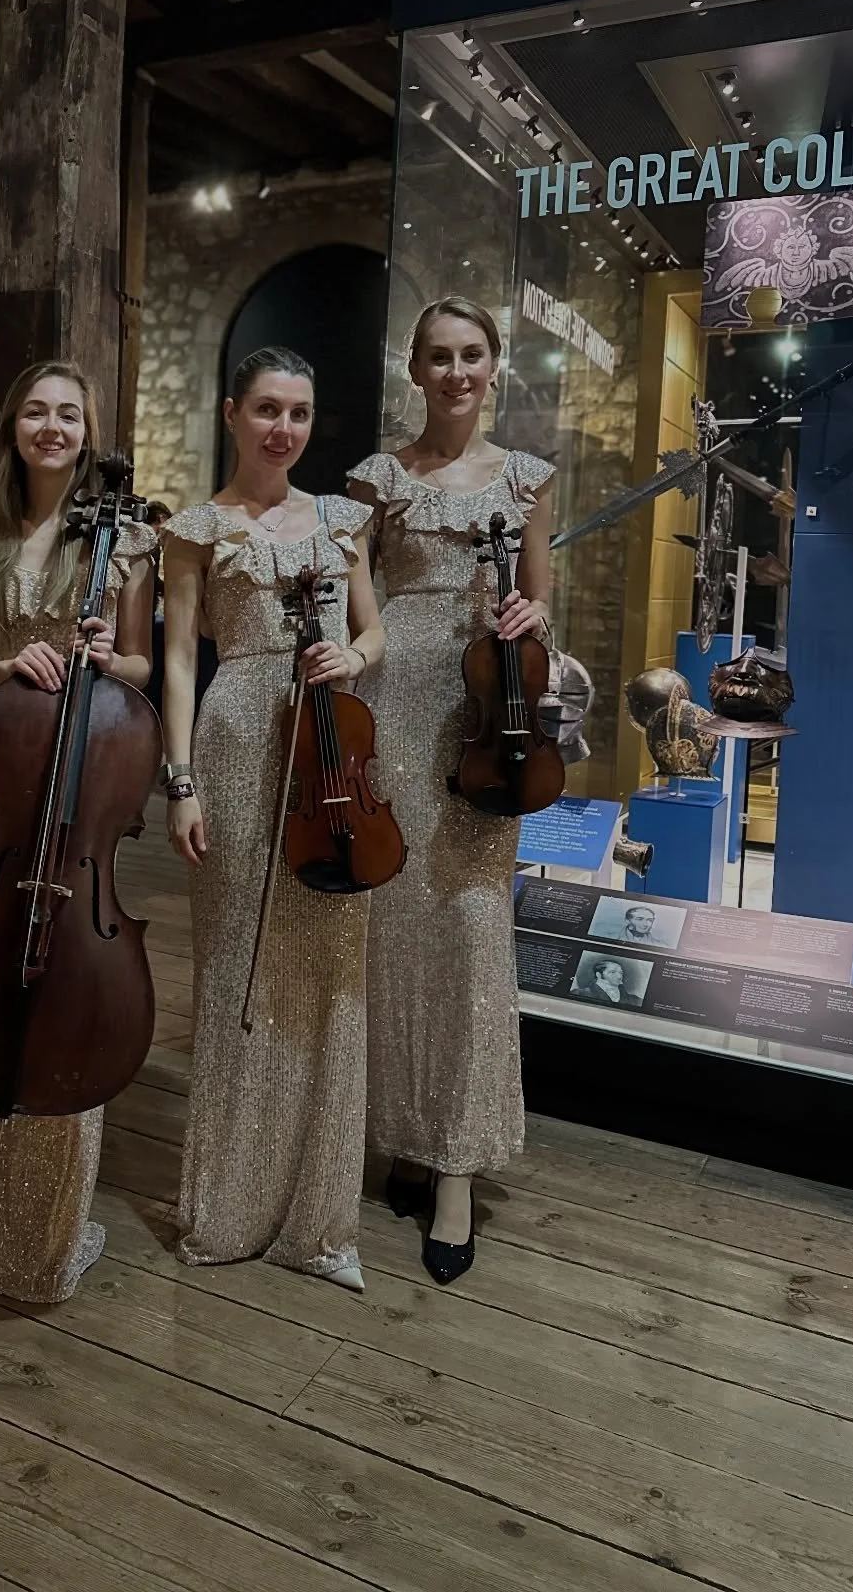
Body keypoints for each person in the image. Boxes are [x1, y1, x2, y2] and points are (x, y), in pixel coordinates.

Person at [0, 361, 155, 1302]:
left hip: (88, 765)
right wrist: (12, 663)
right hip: (2, 770)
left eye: (69, 416)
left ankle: (44, 1226)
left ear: (88, 432)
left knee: (66, 973)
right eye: (36, 413)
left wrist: (106, 656)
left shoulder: (123, 540)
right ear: (13, 427)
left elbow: (140, 665)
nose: (52, 428)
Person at [161, 346, 382, 1289]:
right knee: (236, 969)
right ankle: (226, 1207)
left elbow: (374, 628)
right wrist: (181, 782)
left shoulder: (342, 520)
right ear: (232, 414)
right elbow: (179, 660)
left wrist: (353, 659)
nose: (282, 429)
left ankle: (320, 1223)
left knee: (330, 969)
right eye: (266, 410)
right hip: (238, 738)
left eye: (298, 413)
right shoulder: (195, 529)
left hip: (331, 748)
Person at [348, 297, 554, 1285]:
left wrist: (530, 614)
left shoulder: (527, 478)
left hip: (484, 715)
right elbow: (359, 604)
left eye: (472, 355)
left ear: (494, 365)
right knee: (399, 930)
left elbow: (541, 597)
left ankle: (459, 1166)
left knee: (471, 930)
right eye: (439, 356)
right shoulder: (377, 480)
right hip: (397, 704)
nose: (456, 372)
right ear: (415, 370)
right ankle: (407, 1134)